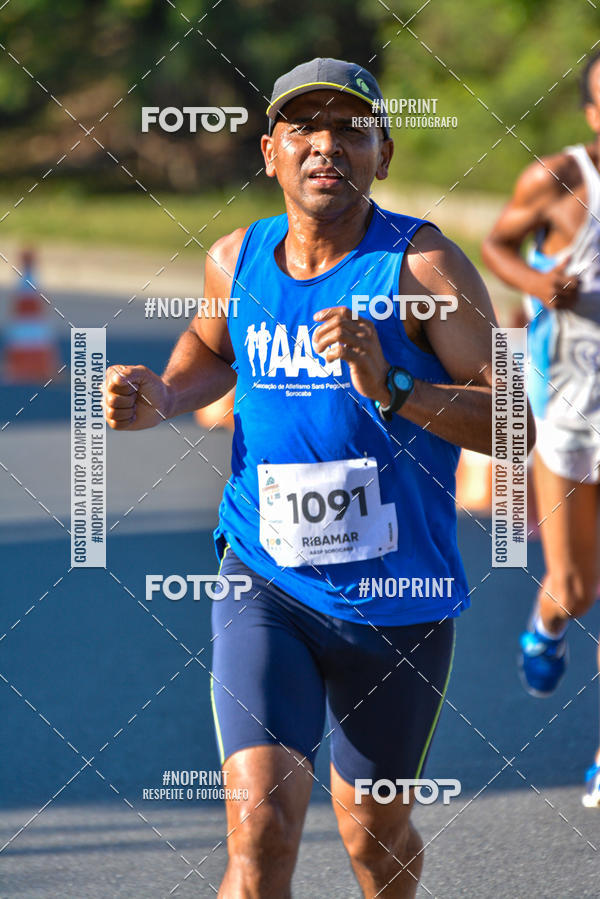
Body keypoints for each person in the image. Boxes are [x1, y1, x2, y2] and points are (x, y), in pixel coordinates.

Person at [103, 57, 534, 897]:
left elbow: (515, 426)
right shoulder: (237, 257)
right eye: (304, 127)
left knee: (374, 835)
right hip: (267, 579)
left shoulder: (423, 268)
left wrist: (395, 386)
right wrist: (166, 394)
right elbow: (210, 348)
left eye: (350, 129)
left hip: (399, 597)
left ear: (385, 153)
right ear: (270, 152)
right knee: (260, 829)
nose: (326, 145)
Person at [482, 49, 600, 809]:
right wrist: (538, 283)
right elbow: (495, 245)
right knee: (578, 587)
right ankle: (547, 622)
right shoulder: (559, 179)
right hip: (571, 416)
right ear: (592, 112)